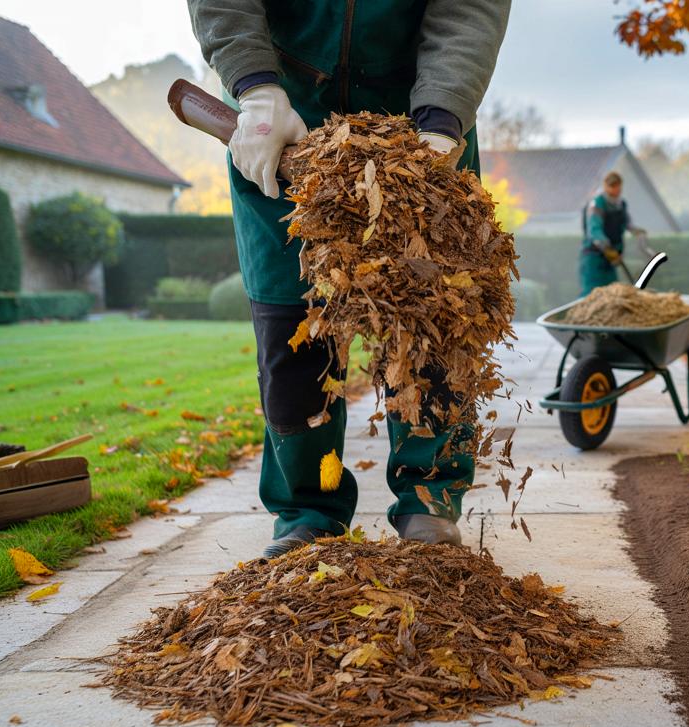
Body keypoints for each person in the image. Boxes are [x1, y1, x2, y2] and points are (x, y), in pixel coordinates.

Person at [187, 0, 511, 557]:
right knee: (293, 331)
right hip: (285, 129)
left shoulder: (432, 127)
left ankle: (428, 504)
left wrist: (441, 120)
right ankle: (309, 510)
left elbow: (469, 8)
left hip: (419, 128)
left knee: (430, 321)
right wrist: (256, 86)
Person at [580, 171, 647, 296]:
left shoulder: (621, 204)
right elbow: (594, 230)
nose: (615, 193)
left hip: (612, 259)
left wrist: (635, 231)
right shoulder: (597, 204)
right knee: (592, 295)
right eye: (612, 189)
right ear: (606, 187)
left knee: (612, 294)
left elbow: (626, 223)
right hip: (595, 258)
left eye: (618, 189)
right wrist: (606, 247)